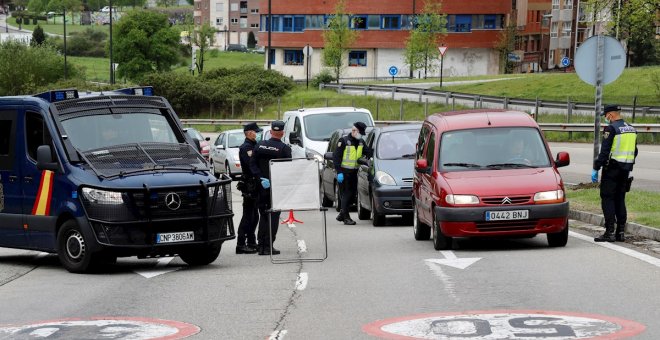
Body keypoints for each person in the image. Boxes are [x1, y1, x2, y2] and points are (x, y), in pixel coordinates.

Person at [592, 105, 638, 242]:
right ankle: (620, 233)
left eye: (606, 116)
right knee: (620, 199)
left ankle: (609, 232)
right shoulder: (631, 129)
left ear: (610, 115)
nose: (606, 119)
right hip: (625, 169)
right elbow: (635, 151)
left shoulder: (611, 128)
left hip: (611, 169)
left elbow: (604, 152)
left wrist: (596, 168)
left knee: (607, 198)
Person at [250, 120, 292, 255]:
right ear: (282, 133)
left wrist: (259, 178)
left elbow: (253, 164)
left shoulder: (260, 145)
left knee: (263, 215)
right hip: (275, 187)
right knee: (273, 217)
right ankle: (268, 246)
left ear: (271, 132)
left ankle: (261, 245)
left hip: (261, 186)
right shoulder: (285, 149)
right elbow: (287, 169)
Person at [333, 122, 373, 225]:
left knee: (352, 195)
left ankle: (342, 214)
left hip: (354, 173)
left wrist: (371, 156)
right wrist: (339, 172)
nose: (361, 135)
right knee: (347, 194)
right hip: (344, 173)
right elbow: (336, 157)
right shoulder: (344, 141)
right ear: (355, 131)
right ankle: (346, 218)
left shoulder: (360, 142)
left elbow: (368, 152)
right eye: (360, 133)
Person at [235, 122, 262, 254]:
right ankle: (241, 244)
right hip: (249, 185)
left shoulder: (254, 145)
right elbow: (251, 165)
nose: (257, 134)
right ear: (249, 133)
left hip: (255, 184)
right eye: (255, 132)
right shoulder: (246, 147)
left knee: (254, 215)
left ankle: (251, 241)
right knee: (248, 215)